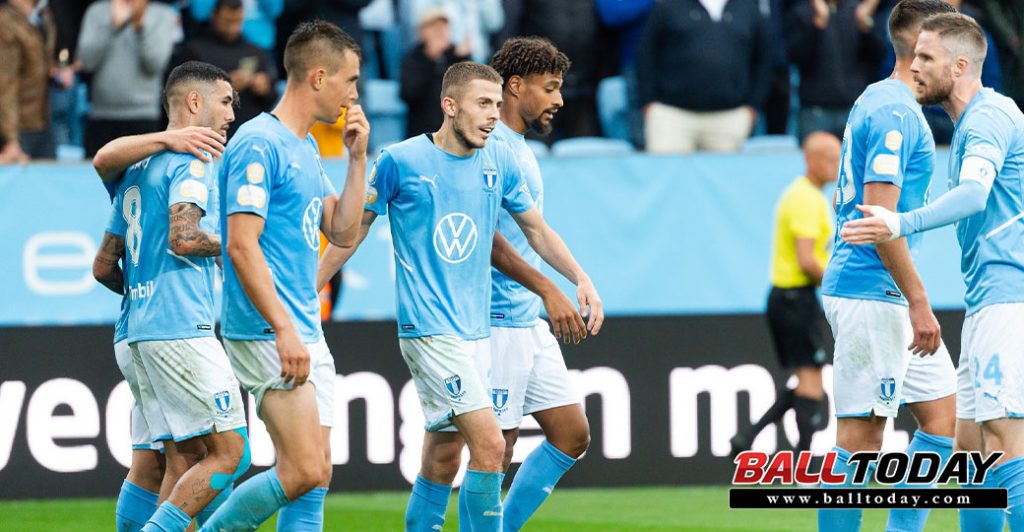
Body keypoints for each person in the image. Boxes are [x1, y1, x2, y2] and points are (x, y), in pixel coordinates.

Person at [316, 61, 602, 532]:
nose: (493, 115)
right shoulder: (400, 161)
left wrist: (579, 277)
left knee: (443, 456)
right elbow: (352, 234)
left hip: (476, 332)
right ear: (449, 106)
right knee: (491, 446)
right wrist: (311, 289)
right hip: (429, 332)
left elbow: (536, 230)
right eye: (483, 104)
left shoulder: (499, 160)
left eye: (496, 104)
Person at [840, 13, 1024, 530]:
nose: (913, 66)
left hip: (1008, 299)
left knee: (1005, 437)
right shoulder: (979, 120)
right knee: (970, 448)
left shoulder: (987, 120)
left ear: (959, 66)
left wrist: (899, 222)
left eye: (926, 57)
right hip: (990, 299)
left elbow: (974, 194)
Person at [197, 20, 369, 531]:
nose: (354, 93)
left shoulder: (305, 146)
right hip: (267, 330)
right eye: (350, 80)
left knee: (317, 476)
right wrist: (283, 327)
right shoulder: (258, 143)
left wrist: (357, 159)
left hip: (302, 326)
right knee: (303, 469)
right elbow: (240, 244)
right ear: (318, 77)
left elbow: (342, 230)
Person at [818, 1, 960, 531]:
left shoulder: (880, 99)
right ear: (924, 46)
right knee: (861, 440)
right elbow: (879, 219)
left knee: (944, 420)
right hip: (870, 290)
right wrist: (920, 300)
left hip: (883, 292)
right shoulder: (895, 114)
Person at [105, 61, 249, 532]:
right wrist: (235, 244)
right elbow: (184, 238)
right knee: (230, 453)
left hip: (136, 328)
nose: (232, 113)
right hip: (179, 327)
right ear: (194, 102)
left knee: (171, 459)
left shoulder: (136, 169)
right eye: (225, 101)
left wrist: (142, 291)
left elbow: (103, 265)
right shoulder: (192, 161)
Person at [730, 131, 840, 457]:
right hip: (796, 299)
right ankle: (803, 464)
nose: (837, 166)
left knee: (806, 382)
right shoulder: (807, 200)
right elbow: (807, 260)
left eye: (839, 159)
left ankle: (748, 437)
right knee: (811, 385)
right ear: (810, 161)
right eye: (830, 159)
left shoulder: (803, 195)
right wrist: (840, 284)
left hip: (788, 299)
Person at [635, 0, 771, 153]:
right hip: (671, 116)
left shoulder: (748, 9)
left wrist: (752, 107)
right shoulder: (668, 7)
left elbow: (764, 60)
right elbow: (645, 54)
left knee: (727, 169)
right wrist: (648, 102)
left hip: (729, 118)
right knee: (666, 168)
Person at [76, 0, 178, 158]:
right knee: (96, 172)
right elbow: (86, 62)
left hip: (144, 115)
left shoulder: (162, 14)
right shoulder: (96, 12)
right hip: (101, 115)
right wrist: (112, 27)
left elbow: (155, 64)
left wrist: (139, 26)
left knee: (142, 173)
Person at [178, 0, 279, 139]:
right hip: (209, 137)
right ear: (214, 16)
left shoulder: (256, 52)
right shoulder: (196, 52)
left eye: (237, 21)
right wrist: (224, 87)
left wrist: (265, 89)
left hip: (249, 136)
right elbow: (181, 98)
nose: (232, 28)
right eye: (227, 21)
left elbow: (272, 98)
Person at [0, 0, 57, 162]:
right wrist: (11, 139)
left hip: (43, 119)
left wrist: (53, 69)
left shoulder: (42, 13)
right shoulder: (4, 22)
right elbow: (5, 84)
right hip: (17, 127)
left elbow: (41, 56)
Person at [400, 7, 471, 137]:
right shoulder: (413, 58)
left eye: (444, 27)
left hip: (455, 133)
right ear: (422, 32)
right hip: (422, 133)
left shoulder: (457, 57)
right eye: (434, 28)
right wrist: (430, 61)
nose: (440, 32)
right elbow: (408, 94)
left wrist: (462, 58)